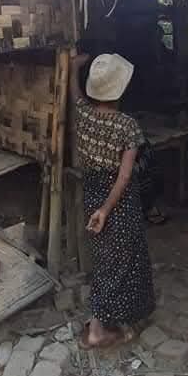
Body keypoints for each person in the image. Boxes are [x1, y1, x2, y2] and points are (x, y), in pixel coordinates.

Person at [70, 52, 156, 349]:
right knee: (119, 261)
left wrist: (73, 68)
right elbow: (124, 176)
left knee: (106, 257)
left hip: (92, 190)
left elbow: (75, 93)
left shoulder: (83, 113)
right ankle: (97, 329)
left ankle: (116, 314)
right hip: (117, 201)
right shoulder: (127, 126)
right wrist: (106, 210)